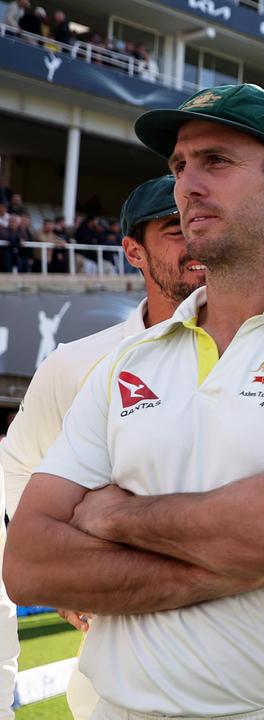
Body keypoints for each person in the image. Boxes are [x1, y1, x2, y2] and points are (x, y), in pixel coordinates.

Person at [5, 83, 264, 719]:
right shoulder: (127, 362)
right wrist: (230, 567)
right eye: (179, 166)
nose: (187, 184)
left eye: (216, 161)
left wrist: (113, 519)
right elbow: (30, 562)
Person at [0, 175, 206, 718]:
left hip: (250, 660)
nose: (196, 241)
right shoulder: (77, 361)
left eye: (202, 225)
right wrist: (64, 575)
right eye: (175, 229)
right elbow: (18, 471)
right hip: (118, 678)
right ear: (134, 252)